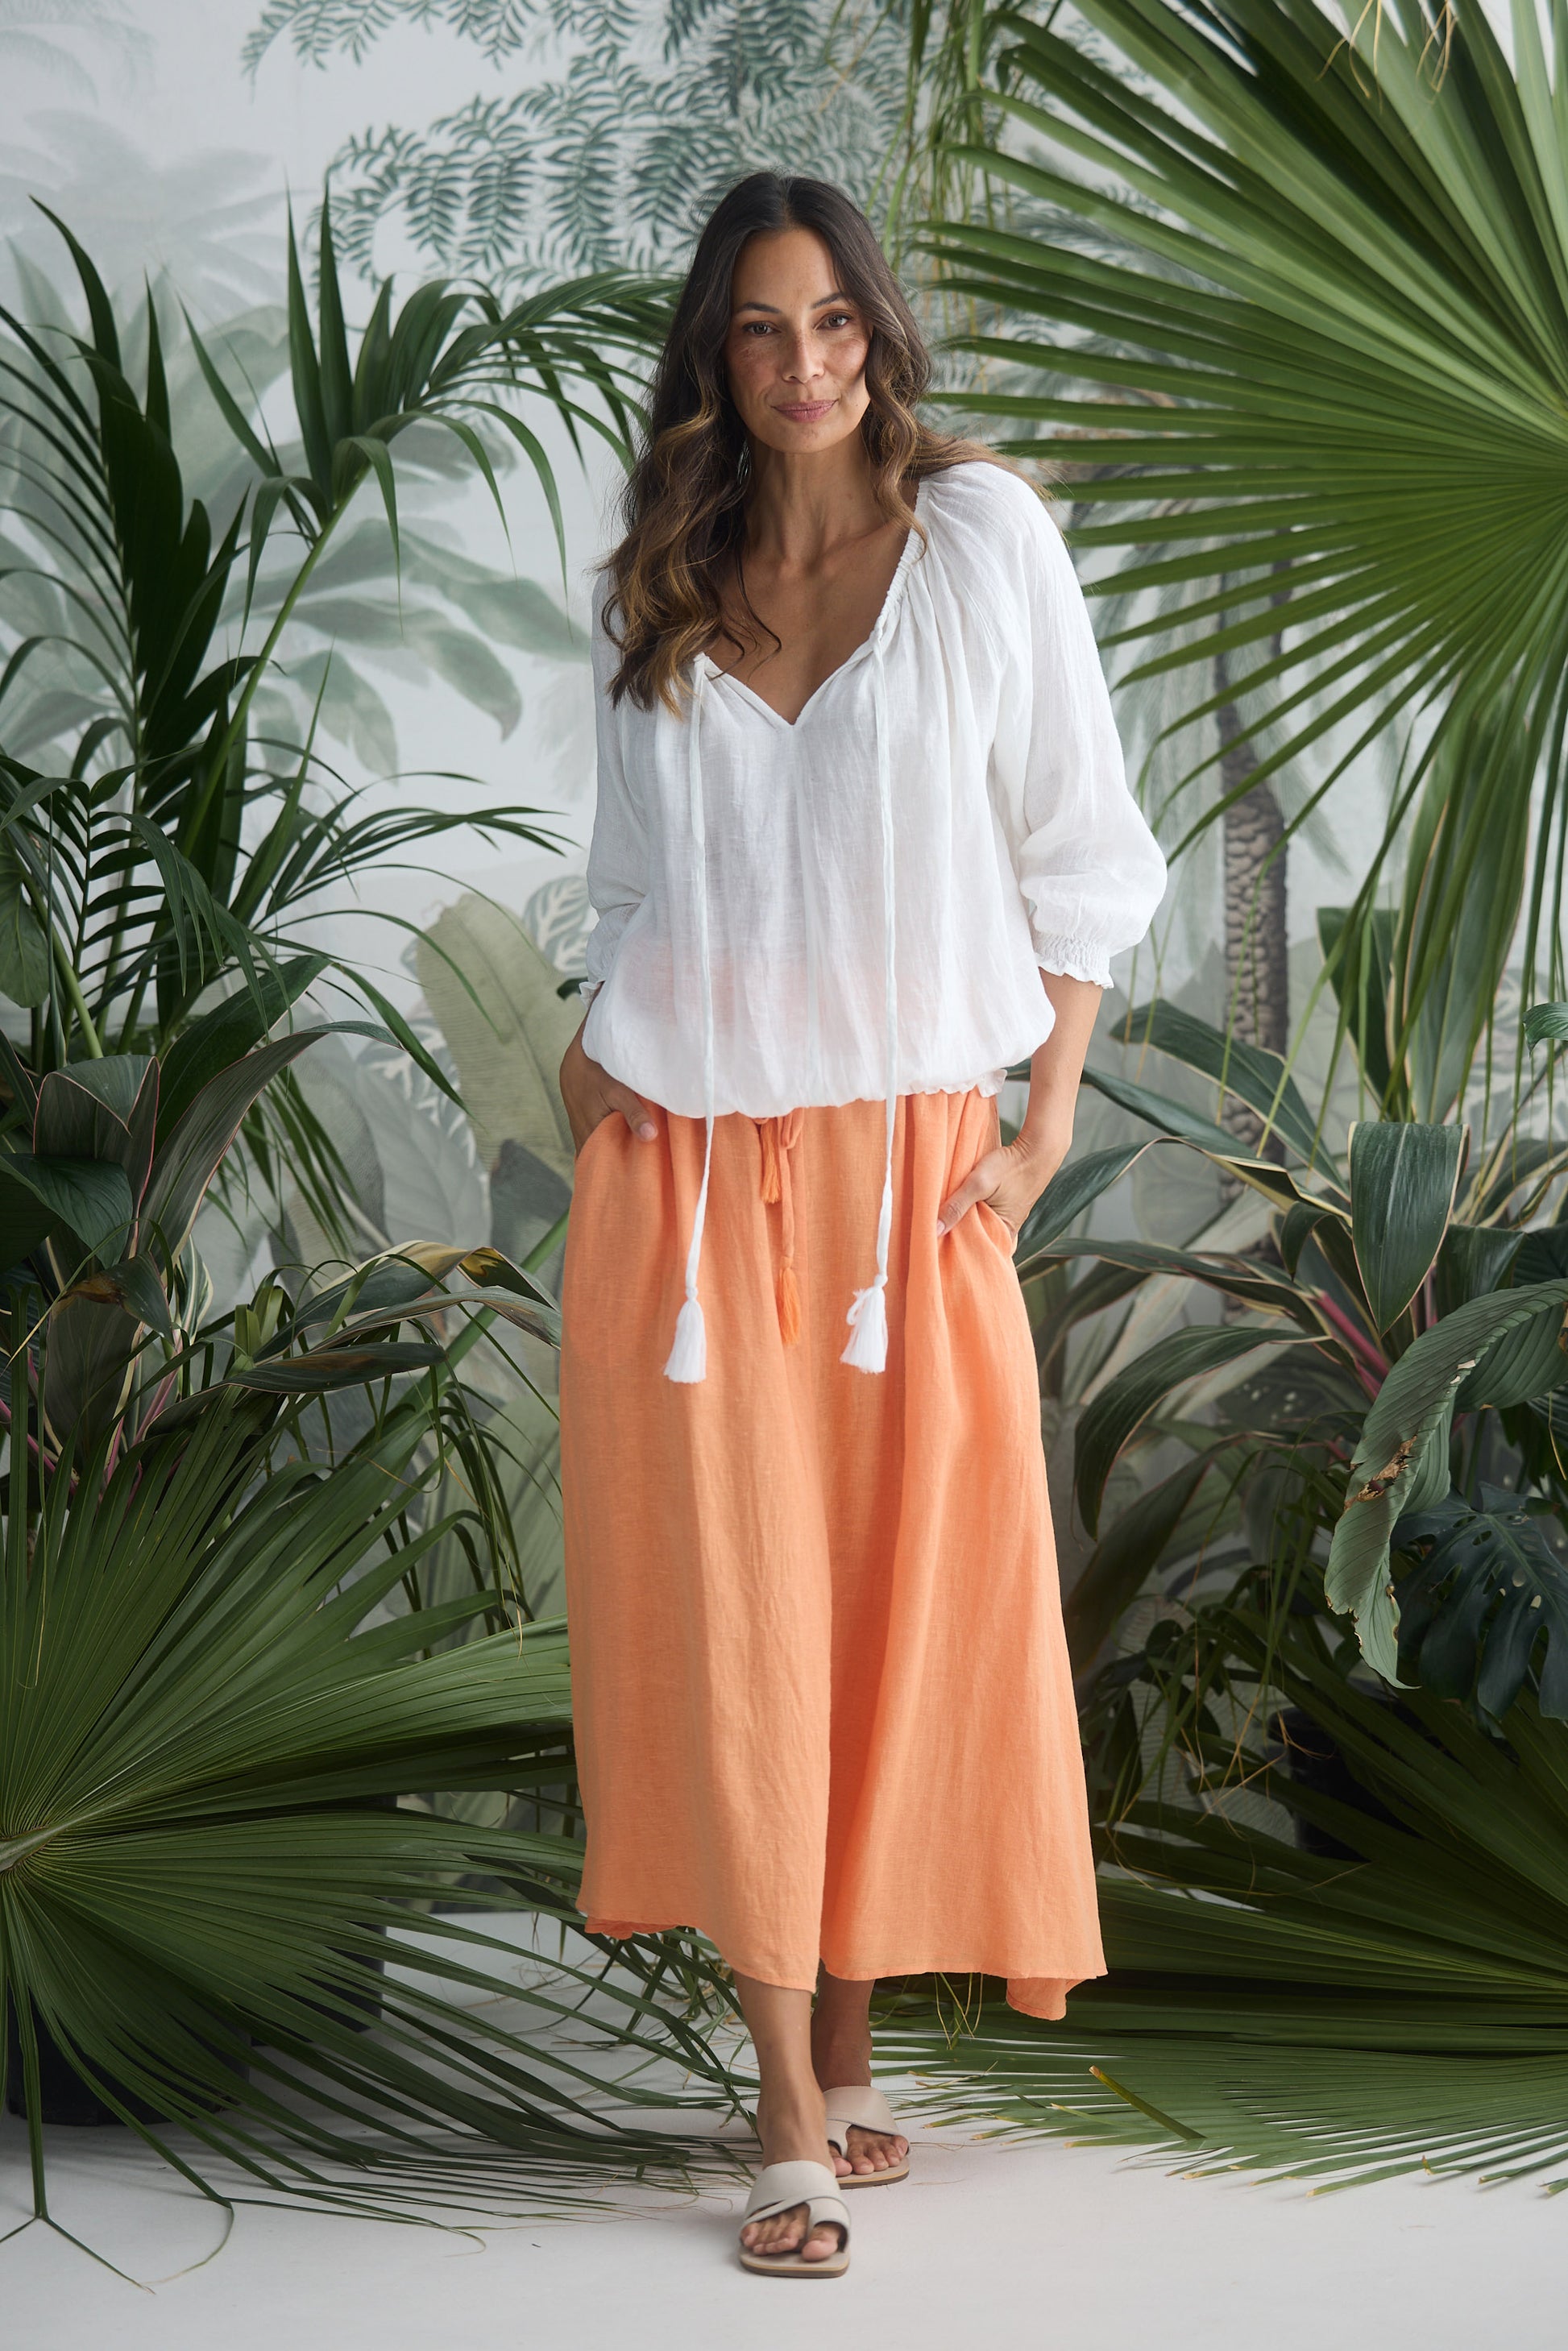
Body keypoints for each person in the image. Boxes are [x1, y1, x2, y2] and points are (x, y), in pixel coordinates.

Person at [557, 171, 1167, 2278]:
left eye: (831, 322)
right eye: (757, 329)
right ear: (711, 357)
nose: (802, 362)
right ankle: (788, 2111)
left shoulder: (982, 539)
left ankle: (837, 2028)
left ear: (873, 331)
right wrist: (584, 1071)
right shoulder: (662, 572)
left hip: (915, 1173)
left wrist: (1043, 1123)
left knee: (910, 1608)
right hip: (690, 1192)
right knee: (734, 1626)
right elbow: (628, 898)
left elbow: (1080, 845)